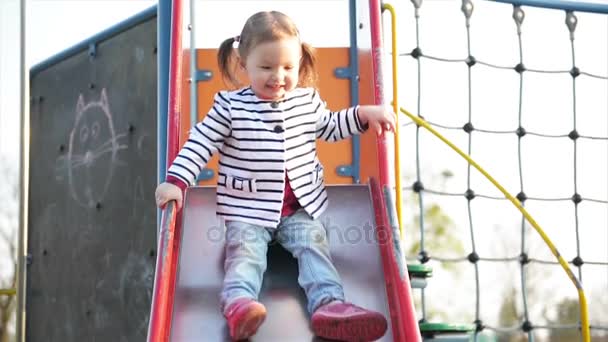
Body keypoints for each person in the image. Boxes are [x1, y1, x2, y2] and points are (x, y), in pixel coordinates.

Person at [155, 11, 395, 342]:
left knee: (315, 248)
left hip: (299, 210)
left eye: (287, 67)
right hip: (248, 212)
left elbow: (331, 126)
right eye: (266, 67)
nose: (277, 76)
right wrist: (177, 181)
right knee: (245, 253)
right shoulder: (229, 107)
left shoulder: (306, 102)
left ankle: (330, 305)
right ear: (243, 64)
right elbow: (200, 142)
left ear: (299, 64)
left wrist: (363, 114)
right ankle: (239, 304)